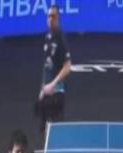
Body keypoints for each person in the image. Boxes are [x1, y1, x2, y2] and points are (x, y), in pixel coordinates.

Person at [37, 5, 72, 136]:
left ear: (58, 18)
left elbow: (68, 67)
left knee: (54, 132)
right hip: (46, 91)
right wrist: (42, 88)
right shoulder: (48, 36)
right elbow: (46, 65)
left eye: (53, 16)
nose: (50, 19)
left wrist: (52, 85)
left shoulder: (61, 38)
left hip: (56, 92)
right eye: (48, 16)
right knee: (43, 130)